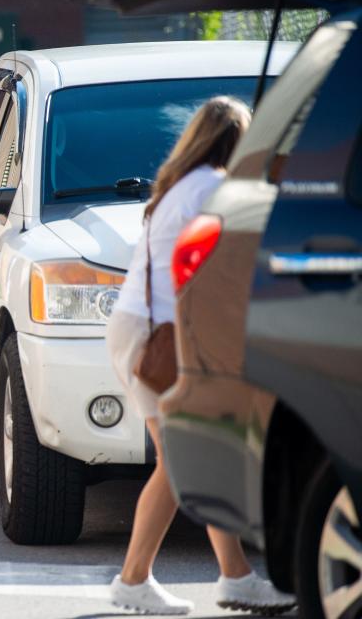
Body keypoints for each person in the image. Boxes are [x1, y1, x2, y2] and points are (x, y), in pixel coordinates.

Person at [105, 97, 297, 615]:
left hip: (138, 331)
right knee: (187, 458)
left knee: (188, 456)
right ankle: (134, 580)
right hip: (168, 337)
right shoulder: (214, 188)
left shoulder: (177, 189)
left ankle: (232, 576)